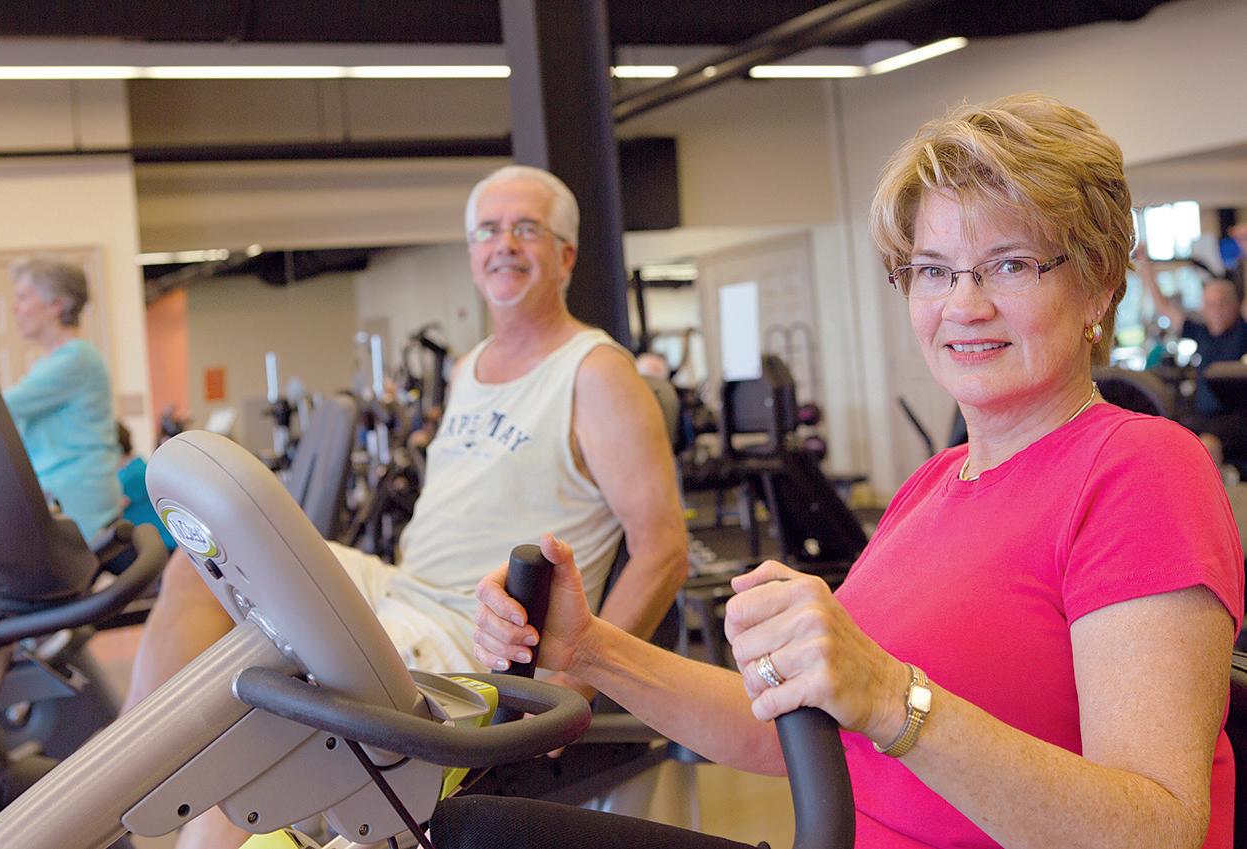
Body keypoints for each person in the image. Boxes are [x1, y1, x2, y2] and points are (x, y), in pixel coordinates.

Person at [476, 95, 1244, 849]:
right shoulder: (933, 485)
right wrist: (590, 648)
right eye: (934, 271)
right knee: (477, 828)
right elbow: (790, 731)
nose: (963, 304)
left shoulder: (1140, 471)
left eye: (1008, 265)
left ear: (1099, 285)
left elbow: (1156, 830)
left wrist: (889, 696)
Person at [124, 165, 688, 848]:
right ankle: (124, 785)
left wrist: (575, 687)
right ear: (472, 253)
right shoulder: (469, 366)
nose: (503, 244)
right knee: (207, 556)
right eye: (488, 231)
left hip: (472, 629)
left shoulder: (596, 373)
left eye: (526, 229)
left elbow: (664, 550)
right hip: (401, 586)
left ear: (566, 255)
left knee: (261, 737)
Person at [2, 256, 122, 542]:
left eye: (23, 297)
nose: (14, 307)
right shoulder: (49, 363)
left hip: (77, 495)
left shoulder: (77, 358)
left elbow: (0, 407)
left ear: (56, 304)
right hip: (58, 489)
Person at [1136, 250, 1247, 467]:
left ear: (1234, 305)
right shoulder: (1200, 332)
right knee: (1165, 441)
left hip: (1235, 420)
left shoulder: (1242, 332)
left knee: (1206, 445)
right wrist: (1145, 267)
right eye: (1210, 304)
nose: (1216, 310)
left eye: (1222, 303)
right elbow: (1163, 307)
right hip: (1201, 418)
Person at [115, 422, 177, 552]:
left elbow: (106, 509)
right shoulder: (139, 465)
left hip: (162, 543)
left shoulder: (129, 477)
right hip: (161, 541)